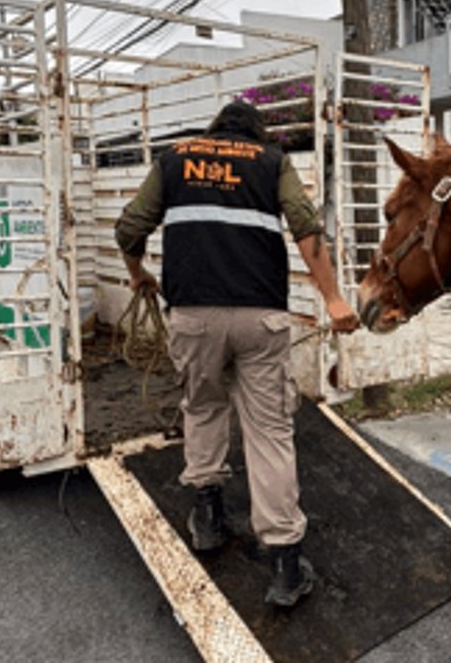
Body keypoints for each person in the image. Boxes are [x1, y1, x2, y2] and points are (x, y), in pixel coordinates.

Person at [115, 101, 359, 607]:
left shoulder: (174, 160)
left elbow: (129, 227)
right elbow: (305, 224)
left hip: (193, 316)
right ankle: (286, 565)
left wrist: (137, 273)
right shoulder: (271, 161)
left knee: (203, 407)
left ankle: (207, 519)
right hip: (259, 317)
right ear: (257, 132)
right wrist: (333, 297)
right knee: (269, 430)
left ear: (214, 128)